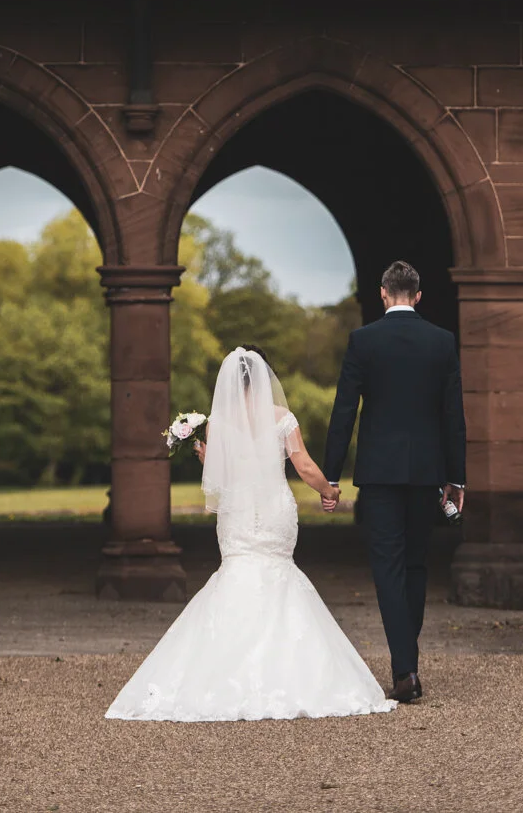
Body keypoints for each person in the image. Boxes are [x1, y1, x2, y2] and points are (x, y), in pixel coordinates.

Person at [105, 345, 395, 721]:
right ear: (263, 379)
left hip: (238, 512)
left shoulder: (219, 424)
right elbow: (304, 465)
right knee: (279, 574)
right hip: (274, 508)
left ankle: (221, 674)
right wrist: (328, 491)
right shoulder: (282, 418)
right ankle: (294, 676)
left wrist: (204, 454)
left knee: (236, 574)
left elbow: (222, 475)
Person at [322, 259, 466, 705]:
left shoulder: (363, 341)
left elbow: (344, 410)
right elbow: (453, 417)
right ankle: (408, 662)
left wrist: (330, 475)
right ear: (417, 296)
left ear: (384, 293)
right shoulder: (441, 341)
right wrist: (456, 478)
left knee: (388, 567)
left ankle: (405, 669)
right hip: (426, 473)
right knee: (417, 565)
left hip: (379, 473)